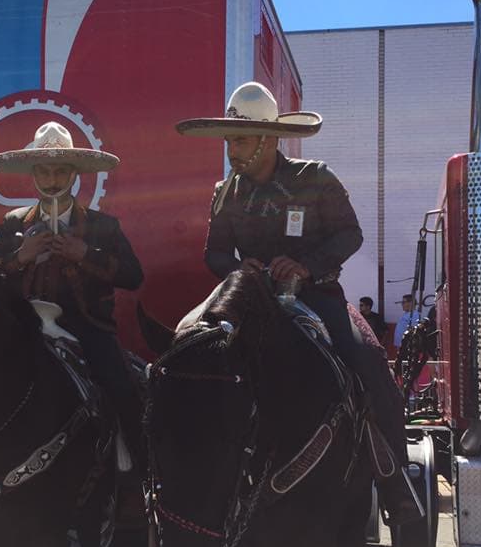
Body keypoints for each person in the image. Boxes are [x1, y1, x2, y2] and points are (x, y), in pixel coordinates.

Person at [176, 81, 421, 524]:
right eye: (229, 139)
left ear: (268, 139)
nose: (232, 149)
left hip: (316, 296)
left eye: (242, 139)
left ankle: (393, 479)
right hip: (249, 298)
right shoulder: (224, 192)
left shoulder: (316, 178)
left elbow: (351, 235)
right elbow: (213, 253)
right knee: (189, 345)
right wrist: (238, 267)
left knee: (365, 360)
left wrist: (305, 265)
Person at [0, 121, 145, 470]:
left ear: (74, 175)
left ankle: (140, 474)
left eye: (60, 171)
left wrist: (84, 253)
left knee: (121, 388)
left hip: (88, 328)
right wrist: (20, 257)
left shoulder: (104, 225)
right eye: (44, 171)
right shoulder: (14, 221)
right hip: (25, 327)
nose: (52, 179)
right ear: (33, 175)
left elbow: (134, 276)